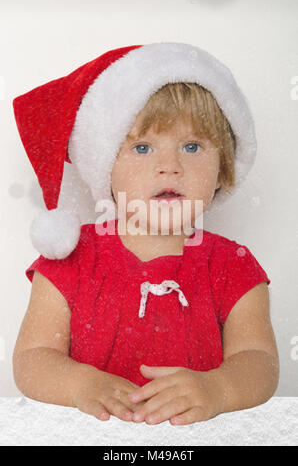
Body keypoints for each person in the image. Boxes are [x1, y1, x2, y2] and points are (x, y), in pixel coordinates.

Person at [12, 42, 279, 426]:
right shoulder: (68, 261)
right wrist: (78, 383)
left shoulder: (233, 266)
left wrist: (219, 389)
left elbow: (260, 362)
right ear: (104, 166)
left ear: (222, 168)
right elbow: (32, 359)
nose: (169, 166)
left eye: (192, 146)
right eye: (141, 147)